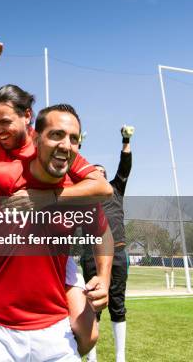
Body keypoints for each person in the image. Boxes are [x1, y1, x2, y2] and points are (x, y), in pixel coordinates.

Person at [0, 40, 113, 354]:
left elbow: (101, 188)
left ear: (28, 118)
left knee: (88, 335)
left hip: (48, 246)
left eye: (5, 121)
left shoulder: (50, 146)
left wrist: (47, 199)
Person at [81, 125, 134, 362]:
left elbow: (124, 168)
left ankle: (119, 357)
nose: (99, 172)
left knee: (117, 304)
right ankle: (92, 358)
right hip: (92, 254)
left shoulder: (116, 189)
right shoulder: (84, 193)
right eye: (95, 170)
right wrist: (78, 146)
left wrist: (125, 139)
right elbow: (70, 171)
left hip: (119, 251)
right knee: (93, 305)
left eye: (103, 170)